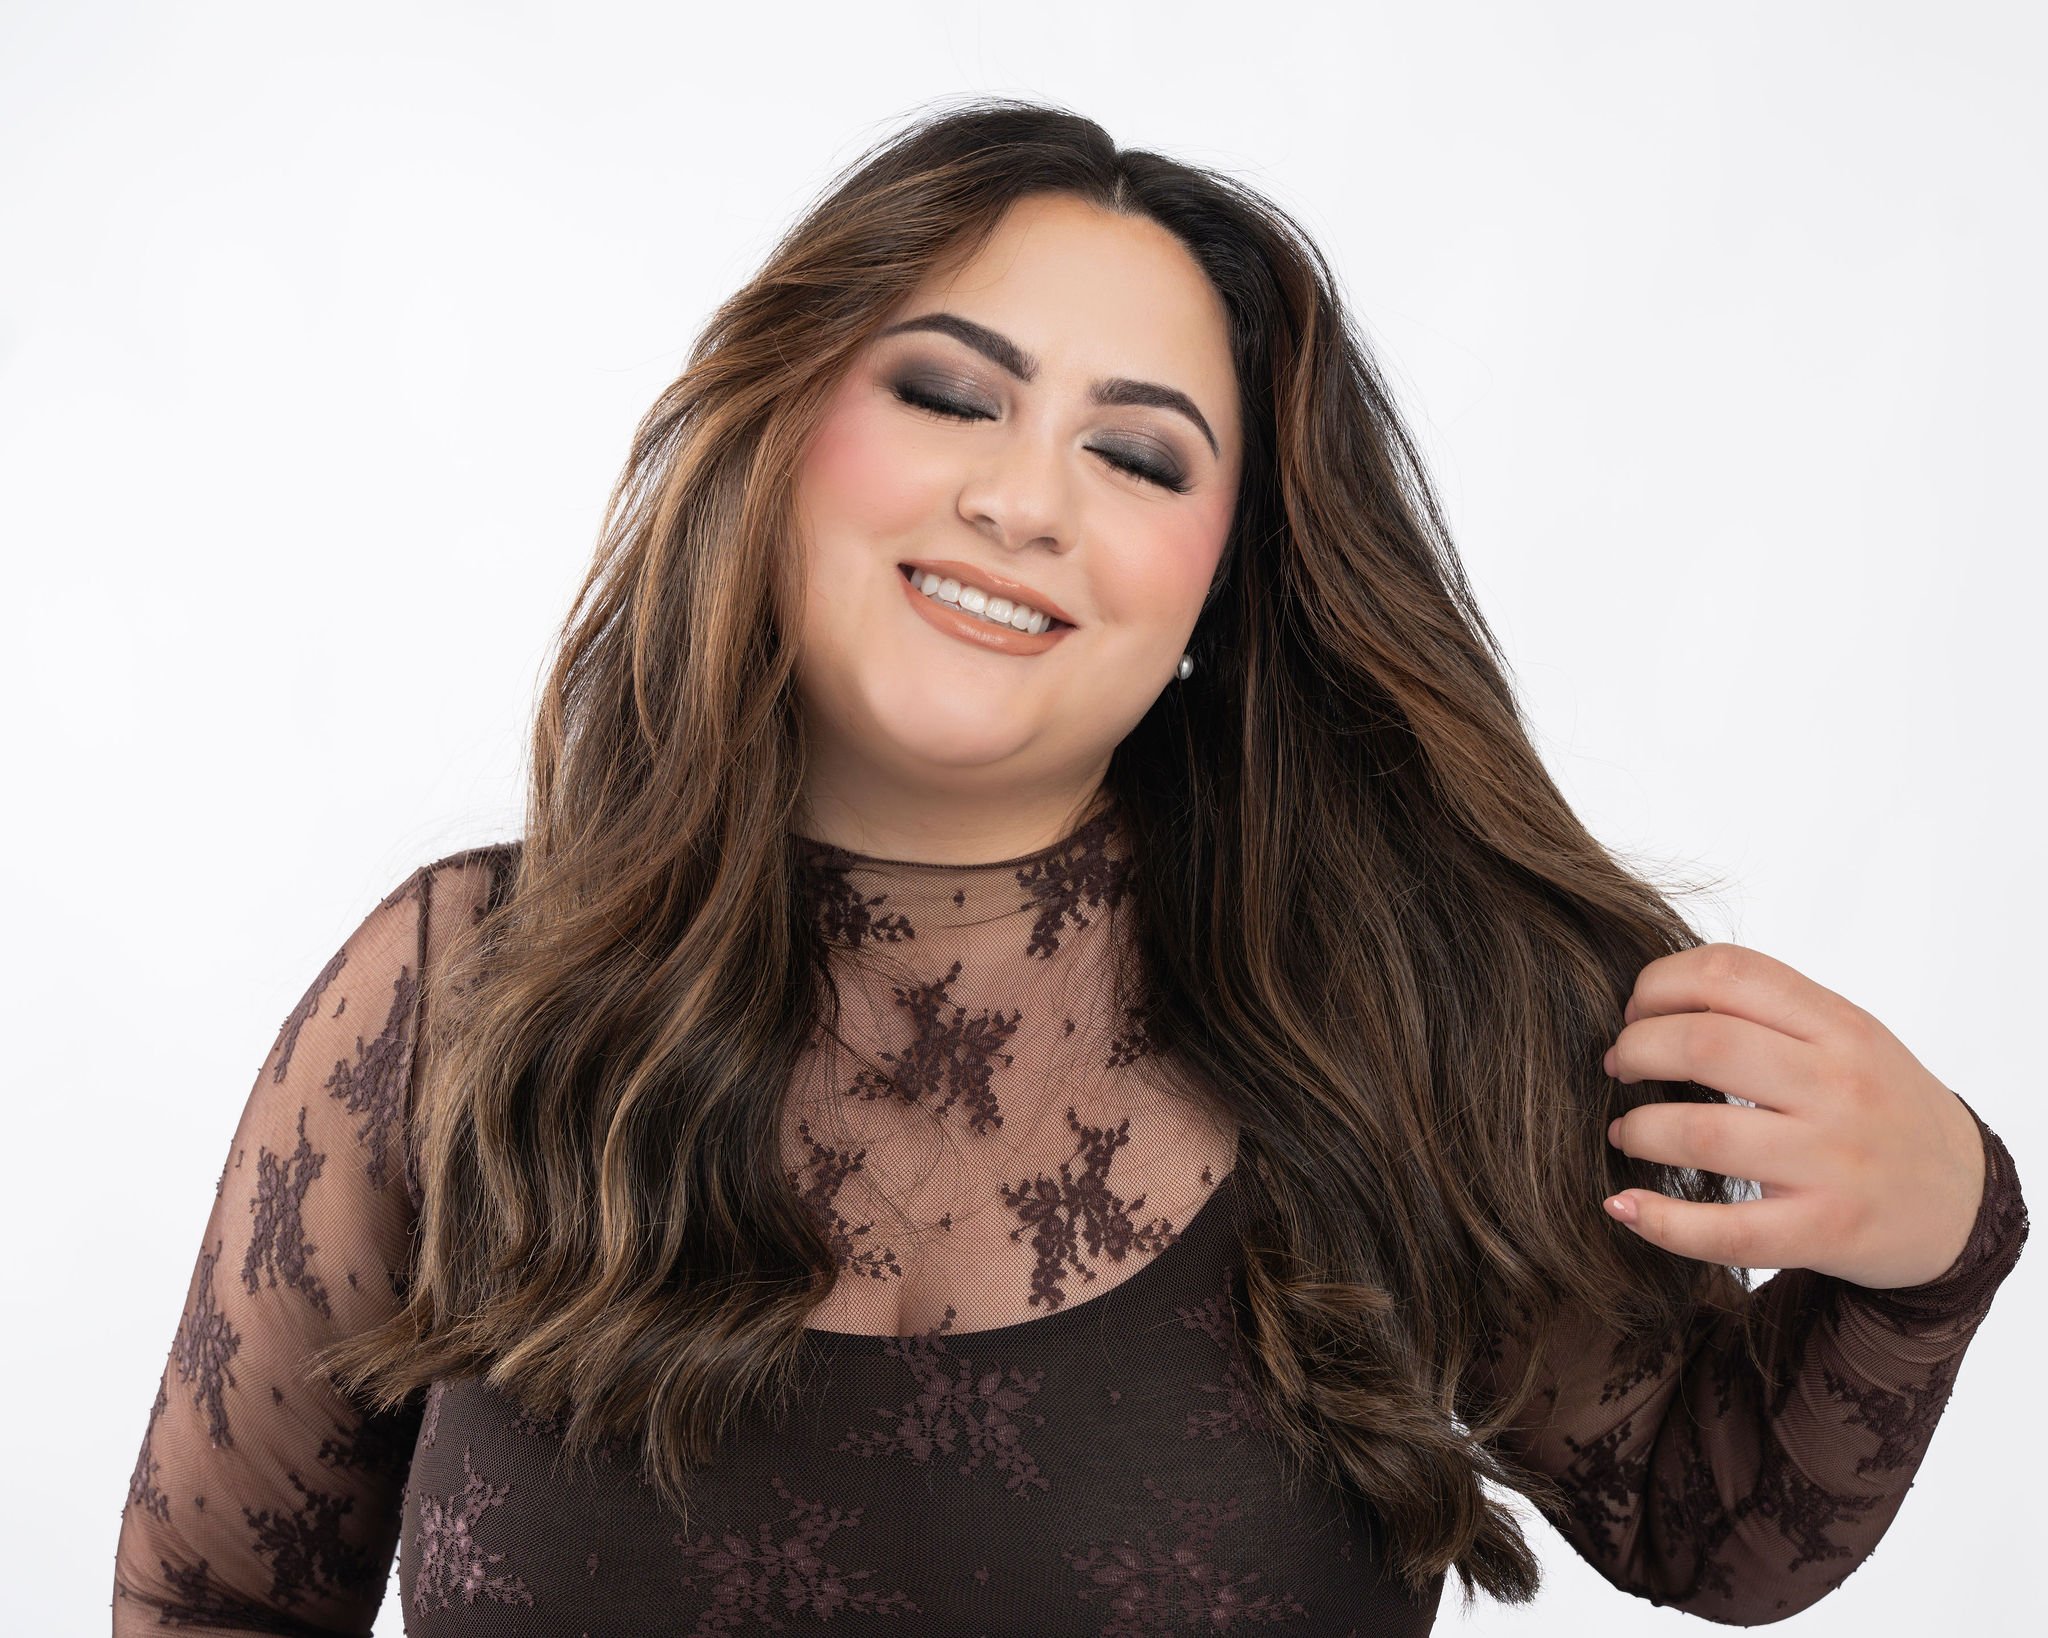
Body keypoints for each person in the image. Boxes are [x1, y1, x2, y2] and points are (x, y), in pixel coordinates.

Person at [113, 99, 2027, 1635]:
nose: (1023, 498)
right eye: (950, 394)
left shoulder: (1383, 1019)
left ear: (1221, 587)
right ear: (785, 432)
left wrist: (1941, 1225)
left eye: (1140, 458)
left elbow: (1717, 1516)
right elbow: (211, 1604)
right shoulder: (456, 988)